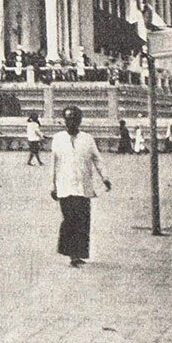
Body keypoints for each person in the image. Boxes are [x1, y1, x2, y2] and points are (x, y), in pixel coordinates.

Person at [50, 105, 111, 268]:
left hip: (83, 187)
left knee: (83, 221)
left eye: (74, 119)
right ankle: (71, 254)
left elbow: (97, 159)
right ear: (64, 121)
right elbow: (54, 164)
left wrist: (105, 177)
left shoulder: (87, 139)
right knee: (69, 220)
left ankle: (78, 254)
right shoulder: (58, 139)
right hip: (64, 186)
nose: (71, 122)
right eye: (68, 119)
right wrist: (53, 186)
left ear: (79, 121)